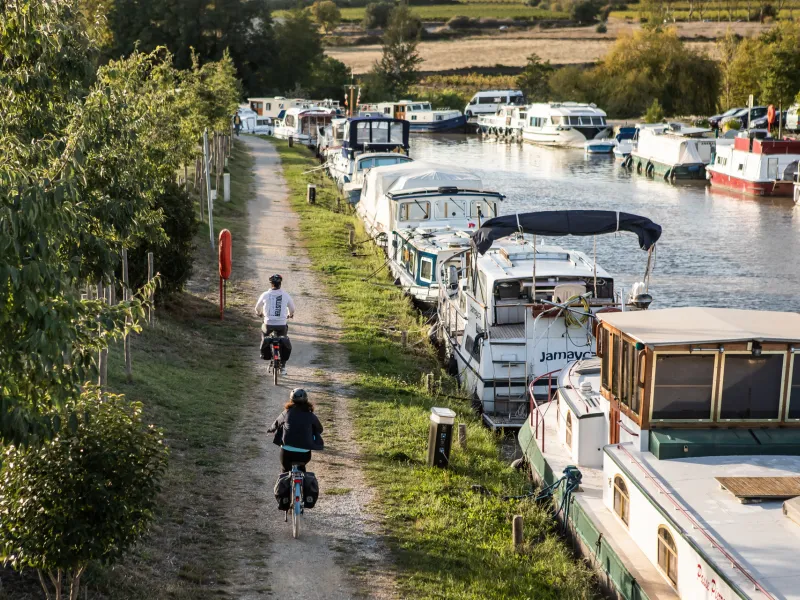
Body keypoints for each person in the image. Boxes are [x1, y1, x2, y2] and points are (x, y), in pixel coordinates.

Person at [267, 388, 324, 472]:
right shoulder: (311, 415)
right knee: (302, 468)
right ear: (306, 400)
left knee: (285, 472)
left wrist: (271, 430)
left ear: (291, 400)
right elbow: (320, 429)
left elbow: (277, 423)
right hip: (304, 454)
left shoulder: (287, 412)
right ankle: (305, 482)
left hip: (287, 452)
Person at [255, 274, 295, 375]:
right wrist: (290, 314)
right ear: (280, 284)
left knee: (264, 335)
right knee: (283, 339)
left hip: (268, 324)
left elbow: (257, 307)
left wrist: (259, 313)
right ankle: (283, 367)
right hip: (281, 325)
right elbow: (292, 308)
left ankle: (266, 353)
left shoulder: (265, 295)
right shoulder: (286, 295)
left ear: (271, 284)